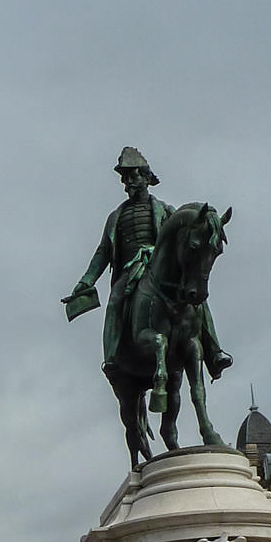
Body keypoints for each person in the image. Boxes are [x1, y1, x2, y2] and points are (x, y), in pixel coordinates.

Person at [61, 146, 231, 380]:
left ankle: (214, 351)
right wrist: (85, 281)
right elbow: (104, 251)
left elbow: (183, 237)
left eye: (132, 176)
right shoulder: (116, 217)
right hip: (130, 272)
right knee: (115, 301)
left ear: (146, 178)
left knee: (197, 301)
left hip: (161, 269)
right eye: (124, 178)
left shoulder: (165, 210)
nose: (127, 183)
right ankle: (112, 356)